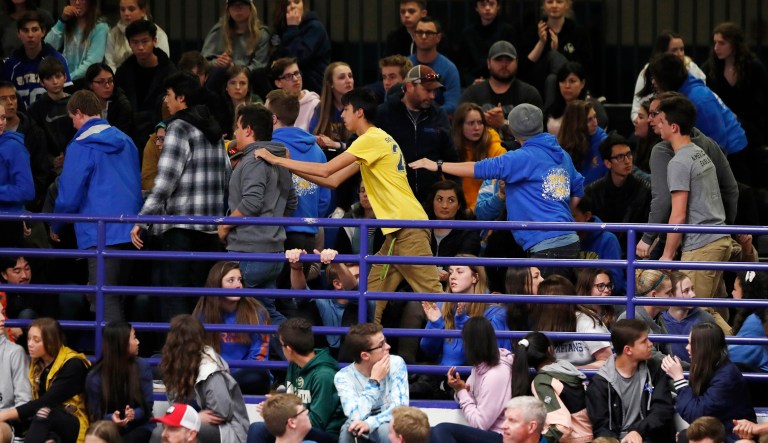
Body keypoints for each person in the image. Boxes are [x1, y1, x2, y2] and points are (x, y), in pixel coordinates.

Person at [252, 87, 444, 328]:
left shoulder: (370, 139)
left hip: (408, 228)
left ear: (359, 113)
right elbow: (332, 181)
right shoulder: (376, 140)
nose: (342, 116)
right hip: (397, 232)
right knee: (369, 301)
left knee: (436, 298)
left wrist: (277, 159)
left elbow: (326, 170)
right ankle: (367, 353)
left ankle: (465, 352)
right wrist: (288, 167)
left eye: (346, 110)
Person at [410, 103, 583, 273]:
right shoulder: (562, 154)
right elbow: (579, 187)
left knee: (543, 301)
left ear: (514, 131)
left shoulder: (520, 158)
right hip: (570, 240)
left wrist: (437, 165)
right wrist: (563, 217)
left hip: (545, 245)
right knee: (560, 299)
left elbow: (478, 169)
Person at [130, 72, 230, 321]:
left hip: (181, 229)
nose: (166, 100)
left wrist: (142, 220)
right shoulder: (214, 130)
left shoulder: (178, 128)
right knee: (202, 301)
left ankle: (179, 356)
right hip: (210, 231)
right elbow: (227, 175)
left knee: (174, 299)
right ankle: (201, 355)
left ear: (182, 98)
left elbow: (164, 183)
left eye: (169, 95)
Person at [50, 90, 143, 322]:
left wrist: (56, 226)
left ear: (79, 114)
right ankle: (120, 353)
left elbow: (69, 196)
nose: (73, 125)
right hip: (132, 230)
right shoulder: (127, 140)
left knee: (104, 300)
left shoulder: (80, 145)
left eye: (72, 118)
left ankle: (113, 357)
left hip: (101, 233)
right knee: (116, 298)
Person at [635, 92, 738, 264]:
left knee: (674, 289)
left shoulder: (676, 159)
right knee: (711, 292)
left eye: (658, 116)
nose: (652, 121)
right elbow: (731, 189)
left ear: (673, 125)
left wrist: (659, 247)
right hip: (717, 238)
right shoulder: (702, 149)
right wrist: (723, 228)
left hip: (696, 244)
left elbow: (674, 210)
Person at [217, 104, 297, 324]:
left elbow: (252, 202)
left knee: (243, 312)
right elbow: (291, 202)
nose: (234, 132)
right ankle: (294, 354)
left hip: (248, 250)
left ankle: (300, 354)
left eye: (237, 127)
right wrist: (273, 227)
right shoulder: (279, 160)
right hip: (273, 252)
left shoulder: (254, 160)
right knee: (264, 312)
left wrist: (225, 226)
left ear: (249, 130)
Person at [654, 94, 733, 312]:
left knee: (691, 313)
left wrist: (667, 256)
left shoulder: (679, 161)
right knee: (713, 312)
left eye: (661, 121)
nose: (657, 125)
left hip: (702, 246)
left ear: (674, 127)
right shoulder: (699, 153)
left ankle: (736, 345)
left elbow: (678, 214)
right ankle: (733, 342)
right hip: (718, 240)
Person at [266, 88, 331, 282]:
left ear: (273, 118)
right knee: (295, 295)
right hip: (309, 232)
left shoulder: (267, 147)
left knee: (273, 296)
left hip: (276, 234)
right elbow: (324, 198)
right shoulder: (317, 150)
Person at [247, 318, 343, 443]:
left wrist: (278, 415)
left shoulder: (324, 375)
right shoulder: (294, 364)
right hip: (297, 423)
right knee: (257, 428)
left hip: (325, 434)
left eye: (281, 344)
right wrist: (275, 405)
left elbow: (316, 423)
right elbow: (291, 401)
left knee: (259, 429)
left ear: (289, 349)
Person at [160, 314, 249, 442]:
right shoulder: (173, 368)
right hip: (194, 421)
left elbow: (221, 414)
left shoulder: (210, 370)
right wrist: (196, 417)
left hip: (228, 430)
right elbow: (176, 407)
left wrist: (192, 418)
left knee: (177, 434)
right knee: (162, 432)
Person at [0, 317, 91, 442]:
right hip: (46, 424)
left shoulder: (73, 364)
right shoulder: (38, 363)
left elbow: (46, 401)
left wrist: (4, 414)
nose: (30, 344)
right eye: (29, 338)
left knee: (44, 412)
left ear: (51, 342)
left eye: (36, 340)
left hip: (73, 422)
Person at [661, 322, 756, 443]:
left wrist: (679, 379)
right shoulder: (707, 367)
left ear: (703, 347)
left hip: (733, 434)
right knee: (684, 436)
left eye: (691, 343)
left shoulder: (726, 376)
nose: (687, 347)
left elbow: (696, 415)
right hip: (716, 431)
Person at [376, 64, 457, 203]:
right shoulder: (383, 114)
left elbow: (451, 159)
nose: (432, 96)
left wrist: (457, 195)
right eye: (427, 90)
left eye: (434, 91)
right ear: (409, 87)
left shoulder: (439, 115)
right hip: (392, 199)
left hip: (431, 201)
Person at [586, 318, 676, 443]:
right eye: (644, 341)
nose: (651, 344)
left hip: (648, 436)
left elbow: (662, 409)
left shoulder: (655, 369)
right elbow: (602, 428)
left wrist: (638, 431)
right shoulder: (600, 383)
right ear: (628, 350)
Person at [702, 22, 768, 188]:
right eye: (715, 42)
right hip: (723, 128)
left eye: (722, 43)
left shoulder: (753, 67)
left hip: (751, 127)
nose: (716, 47)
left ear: (734, 44)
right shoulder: (711, 68)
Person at [192, 261, 272, 395]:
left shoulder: (257, 312)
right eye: (231, 280)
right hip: (213, 374)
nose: (237, 285)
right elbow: (197, 352)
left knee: (258, 374)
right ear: (217, 284)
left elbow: (259, 357)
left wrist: (228, 377)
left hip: (245, 377)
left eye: (240, 280)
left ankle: (217, 388)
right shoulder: (203, 313)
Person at [648, 53, 746, 156]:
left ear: (666, 78)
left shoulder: (699, 98)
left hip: (732, 152)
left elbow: (718, 140)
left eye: (656, 78)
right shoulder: (682, 92)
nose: (653, 82)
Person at [510, 331, 592, 443]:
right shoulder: (566, 367)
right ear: (550, 350)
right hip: (588, 434)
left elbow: (561, 425)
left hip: (574, 439)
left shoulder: (542, 382)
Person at [333, 323, 409, 443]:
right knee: (348, 428)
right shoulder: (343, 377)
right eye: (381, 345)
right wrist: (374, 381)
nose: (388, 346)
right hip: (362, 425)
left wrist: (370, 423)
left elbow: (400, 409)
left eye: (385, 341)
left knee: (386, 430)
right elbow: (355, 415)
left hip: (388, 423)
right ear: (365, 355)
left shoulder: (396, 363)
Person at [459, 40, 543, 144]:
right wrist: (482, 121)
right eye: (499, 59)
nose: (504, 64)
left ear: (516, 62)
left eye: (509, 60)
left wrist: (503, 124)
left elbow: (537, 137)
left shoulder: (529, 94)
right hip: (480, 155)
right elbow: (458, 131)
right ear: (488, 63)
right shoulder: (472, 94)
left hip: (520, 157)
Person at [85, 321, 153, 443]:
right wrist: (112, 418)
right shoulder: (94, 377)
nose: (138, 342)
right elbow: (95, 415)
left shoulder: (142, 366)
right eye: (134, 337)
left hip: (138, 427)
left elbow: (147, 407)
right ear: (122, 343)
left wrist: (132, 415)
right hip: (107, 428)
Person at [114, 19, 176, 149]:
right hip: (129, 134)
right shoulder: (123, 72)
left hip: (160, 132)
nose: (140, 47)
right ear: (129, 44)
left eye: (145, 41)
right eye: (135, 42)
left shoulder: (170, 71)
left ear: (154, 41)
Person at [584, 133, 651, 254]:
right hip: (603, 254)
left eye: (629, 154)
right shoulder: (593, 192)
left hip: (635, 254)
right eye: (620, 157)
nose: (627, 161)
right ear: (608, 163)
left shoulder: (645, 190)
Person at [533, 276, 611, 369]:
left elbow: (607, 361)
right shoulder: (543, 323)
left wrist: (573, 372)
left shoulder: (586, 321)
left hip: (587, 380)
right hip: (557, 379)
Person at [1, 11, 72, 109]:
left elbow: (67, 97)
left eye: (35, 30)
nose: (30, 35)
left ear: (43, 32)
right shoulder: (10, 64)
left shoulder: (57, 59)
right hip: (22, 121)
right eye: (25, 30)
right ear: (18, 34)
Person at [631, 31, 706, 122]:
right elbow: (636, 111)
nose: (680, 54)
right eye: (674, 50)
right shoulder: (647, 72)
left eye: (682, 49)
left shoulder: (692, 68)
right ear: (662, 53)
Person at [202, 0, 270, 93]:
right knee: (217, 72)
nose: (238, 9)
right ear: (228, 9)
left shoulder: (261, 33)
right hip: (222, 80)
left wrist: (233, 67)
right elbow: (203, 61)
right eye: (233, 5)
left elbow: (259, 65)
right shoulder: (218, 31)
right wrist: (217, 62)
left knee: (259, 76)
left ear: (251, 8)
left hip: (250, 79)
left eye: (242, 4)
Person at [451, 103, 506, 211]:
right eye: (471, 123)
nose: (477, 128)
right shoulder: (451, 150)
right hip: (458, 212)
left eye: (480, 123)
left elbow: (498, 187)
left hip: (488, 211)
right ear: (459, 126)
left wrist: (472, 209)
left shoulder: (496, 149)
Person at [271, 0, 331, 94]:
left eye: (296, 2)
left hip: (311, 83)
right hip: (286, 79)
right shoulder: (281, 28)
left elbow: (296, 58)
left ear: (303, 5)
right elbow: (277, 59)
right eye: (288, 4)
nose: (293, 6)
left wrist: (292, 28)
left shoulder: (315, 27)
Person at [662, 271, 720, 363]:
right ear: (671, 295)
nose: (693, 295)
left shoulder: (705, 319)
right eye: (686, 291)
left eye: (692, 289)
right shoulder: (660, 321)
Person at [27, 56, 77, 164]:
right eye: (49, 78)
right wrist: (51, 160)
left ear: (65, 77)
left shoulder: (76, 104)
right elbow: (35, 142)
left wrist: (70, 156)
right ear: (41, 82)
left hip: (76, 159)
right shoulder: (35, 110)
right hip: (48, 168)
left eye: (58, 76)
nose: (55, 82)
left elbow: (83, 134)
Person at [44, 0, 109, 83]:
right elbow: (47, 46)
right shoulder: (67, 23)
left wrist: (67, 79)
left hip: (87, 82)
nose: (77, 3)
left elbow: (93, 62)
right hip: (64, 81)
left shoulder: (100, 27)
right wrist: (62, 21)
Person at [457, 0, 518, 87]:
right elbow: (462, 67)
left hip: (502, 81)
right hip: (474, 84)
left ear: (498, 6)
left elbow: (513, 62)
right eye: (483, 4)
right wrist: (472, 81)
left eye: (491, 4)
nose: (487, 8)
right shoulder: (468, 33)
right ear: (476, 7)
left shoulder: (508, 31)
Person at [570, 197, 624, 295]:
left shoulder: (608, 239)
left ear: (587, 216)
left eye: (572, 216)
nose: (567, 221)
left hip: (606, 301)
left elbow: (615, 281)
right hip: (576, 300)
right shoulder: (564, 240)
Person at [616, 269, 672, 363]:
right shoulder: (631, 318)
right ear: (654, 295)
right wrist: (688, 367)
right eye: (668, 293)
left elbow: (665, 353)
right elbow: (653, 357)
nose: (672, 297)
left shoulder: (658, 317)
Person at [408, 16, 460, 114]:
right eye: (419, 32)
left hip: (436, 123)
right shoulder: (405, 66)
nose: (423, 36)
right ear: (414, 36)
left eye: (428, 33)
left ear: (438, 38)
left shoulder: (449, 69)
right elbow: (392, 99)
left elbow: (453, 105)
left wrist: (427, 114)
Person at [0, 100, 34, 247]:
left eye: (2, 117)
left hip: (7, 222)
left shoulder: (13, 147)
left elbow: (26, 190)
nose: (1, 122)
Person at [544, 62, 607, 136]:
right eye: (563, 81)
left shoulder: (593, 108)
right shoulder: (552, 108)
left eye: (572, 81)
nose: (567, 86)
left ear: (582, 83)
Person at [105, 0, 169, 71]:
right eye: (122, 9)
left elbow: (163, 63)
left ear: (143, 11)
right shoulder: (113, 33)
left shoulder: (158, 33)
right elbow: (110, 64)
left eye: (131, 9)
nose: (126, 13)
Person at [424, 182, 481, 261]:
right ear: (432, 202)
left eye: (451, 200)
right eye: (439, 199)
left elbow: (465, 265)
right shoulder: (421, 229)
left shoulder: (468, 232)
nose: (444, 206)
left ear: (459, 205)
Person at [0, 305, 32, 443]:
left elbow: (24, 401)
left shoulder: (15, 352)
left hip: (6, 422)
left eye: (2, 312)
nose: (2, 319)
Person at [557, 99, 607, 185]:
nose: (595, 123)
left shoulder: (604, 143)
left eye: (595, 117)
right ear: (576, 124)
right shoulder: (561, 147)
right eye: (589, 120)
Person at [727, 271, 768, 372]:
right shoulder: (757, 316)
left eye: (735, 289)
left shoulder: (754, 321)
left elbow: (738, 354)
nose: (732, 293)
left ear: (746, 293)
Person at [270, 57, 319, 131]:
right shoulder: (274, 106)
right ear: (278, 83)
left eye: (297, 73)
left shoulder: (315, 104)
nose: (295, 79)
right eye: (288, 76)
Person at [85, 63, 134, 137]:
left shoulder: (122, 105)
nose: (107, 86)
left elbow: (121, 136)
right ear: (90, 85)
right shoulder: (84, 103)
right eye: (101, 82)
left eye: (110, 81)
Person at [221, 65, 258, 139]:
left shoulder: (257, 107)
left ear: (248, 87)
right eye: (233, 83)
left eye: (242, 83)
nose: (237, 87)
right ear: (226, 87)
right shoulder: (219, 107)